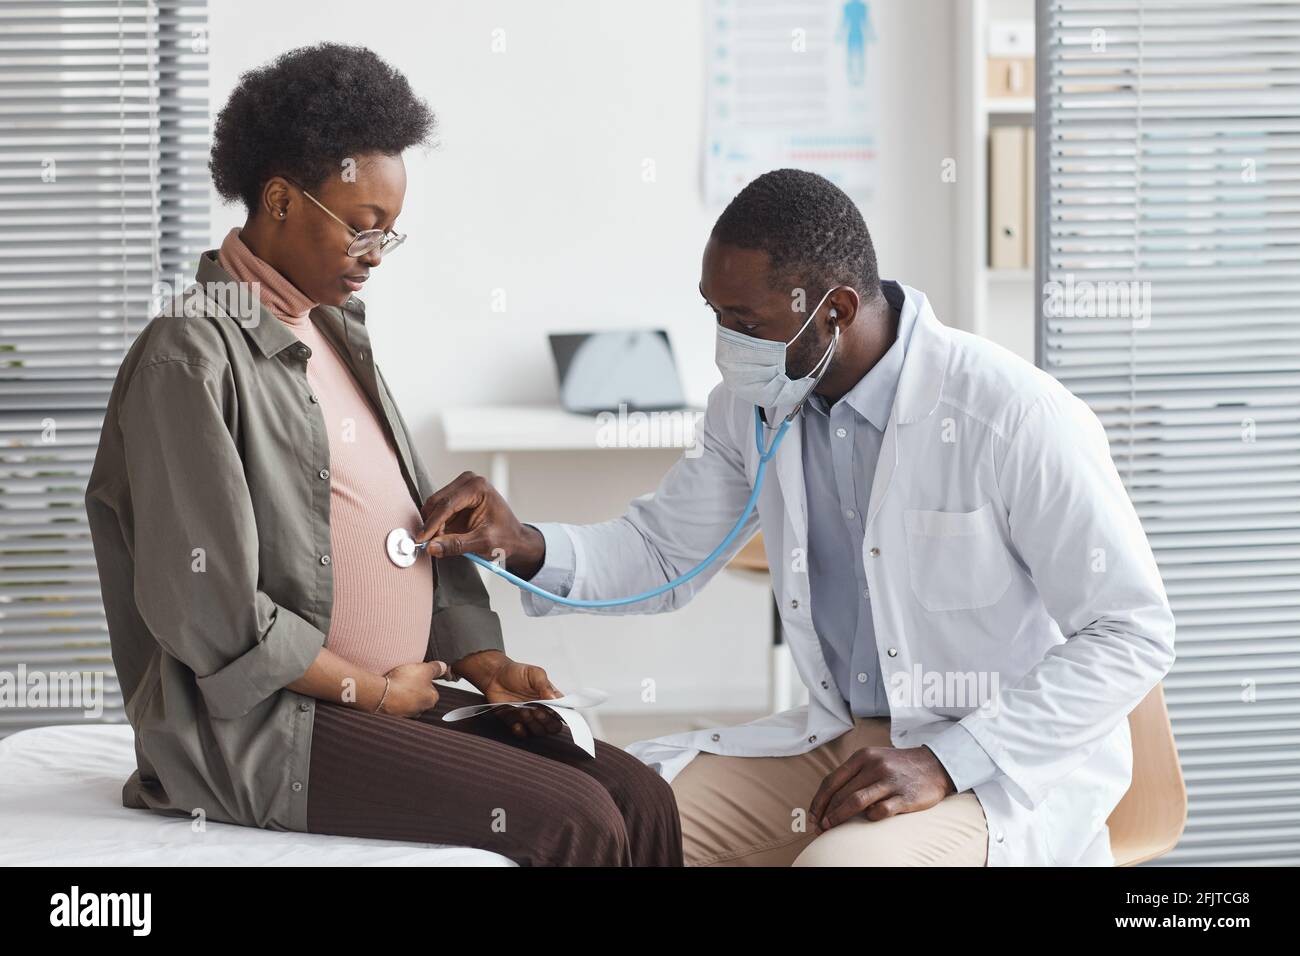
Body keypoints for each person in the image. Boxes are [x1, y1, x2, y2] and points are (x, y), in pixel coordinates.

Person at [414, 168, 1177, 867]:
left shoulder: (1010, 415)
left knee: (840, 867)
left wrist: (951, 760)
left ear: (835, 309)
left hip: (998, 768)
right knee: (600, 819)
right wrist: (522, 545)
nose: (725, 347)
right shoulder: (754, 407)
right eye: (715, 314)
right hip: (845, 742)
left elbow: (1132, 631)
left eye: (744, 320)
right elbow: (659, 552)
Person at [84, 43, 682, 867]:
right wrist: (370, 690)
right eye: (362, 229)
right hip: (263, 726)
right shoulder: (189, 353)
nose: (375, 256)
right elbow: (207, 611)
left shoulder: (330, 329)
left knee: (640, 794)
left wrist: (484, 661)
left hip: (383, 695)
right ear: (282, 200)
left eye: (390, 236)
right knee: (574, 817)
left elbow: (405, 525)